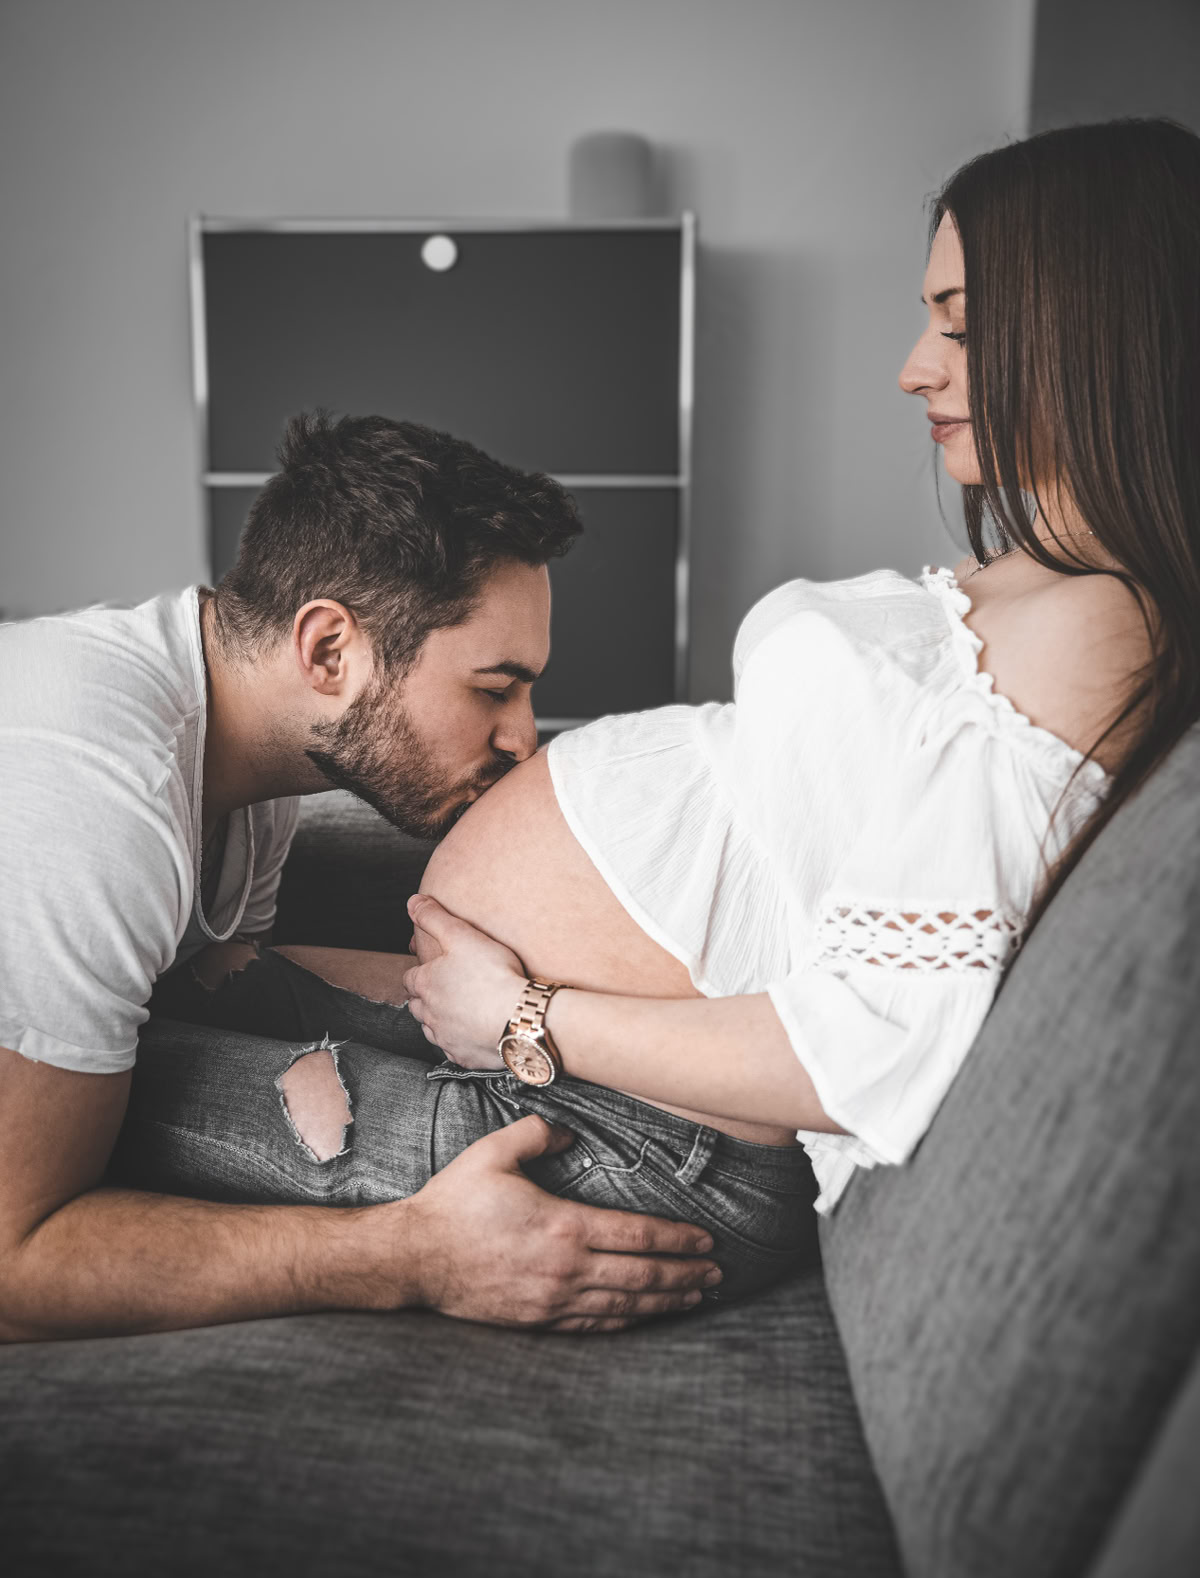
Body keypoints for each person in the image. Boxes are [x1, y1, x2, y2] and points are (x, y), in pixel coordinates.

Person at [93, 118, 1200, 1306]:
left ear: (1100, 331)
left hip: (638, 1129)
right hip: (540, 1044)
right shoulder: (1038, 590)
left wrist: (524, 1015)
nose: (915, 366)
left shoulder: (1097, 624)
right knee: (154, 988)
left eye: (963, 325)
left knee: (93, 1096)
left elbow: (875, 1042)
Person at [0, 415, 725, 1345]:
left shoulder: (250, 761)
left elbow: (206, 987)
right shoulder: (98, 797)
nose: (522, 737)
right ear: (330, 652)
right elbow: (15, 1269)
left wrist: (537, 1012)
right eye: (494, 687)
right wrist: (410, 1258)